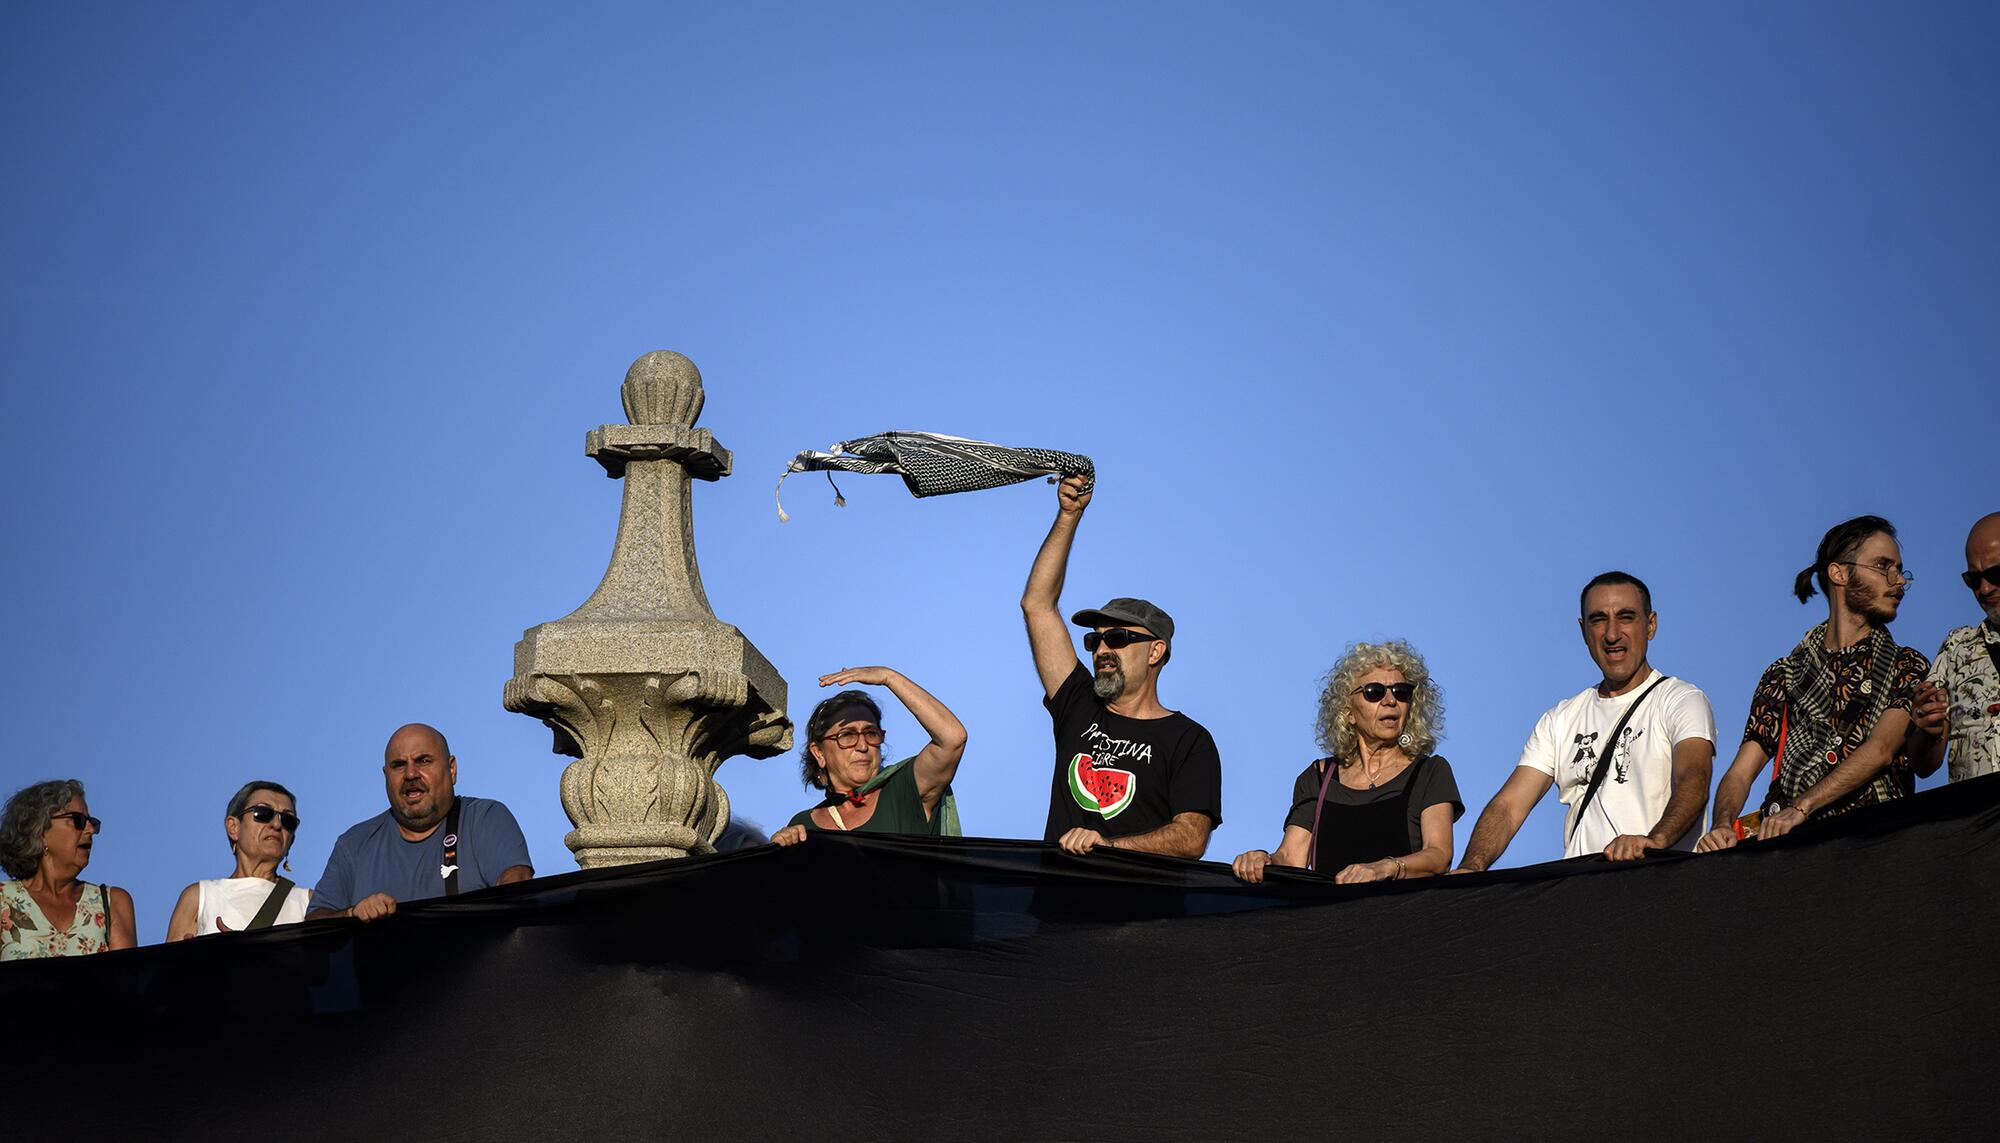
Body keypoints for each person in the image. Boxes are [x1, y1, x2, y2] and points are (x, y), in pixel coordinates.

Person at [1698, 516, 1936, 852]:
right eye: (1884, 567)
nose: (1898, 582)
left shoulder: (1906, 664)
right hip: (1792, 852)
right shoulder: (1784, 674)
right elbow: (1741, 771)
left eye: (1899, 570)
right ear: (1838, 573)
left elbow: (1881, 750)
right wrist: (1723, 824)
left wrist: (1801, 808)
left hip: (1875, 844)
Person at [1456, 572, 1716, 872]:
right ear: (1583, 630)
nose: (1612, 633)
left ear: (1651, 625)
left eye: (1626, 617)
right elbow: (1508, 807)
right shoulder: (1561, 718)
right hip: (1584, 896)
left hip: (1660, 888)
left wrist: (1655, 841)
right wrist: (1470, 868)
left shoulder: (1681, 699)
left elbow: (1694, 778)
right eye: (1598, 619)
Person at [1021, 474, 1222, 857]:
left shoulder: (1189, 741)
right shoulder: (1079, 705)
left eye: (1118, 638)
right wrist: (1069, 516)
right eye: (1095, 640)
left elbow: (1191, 838)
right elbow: (1037, 605)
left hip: (1141, 914)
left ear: (1155, 651)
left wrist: (1108, 847)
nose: (1101, 650)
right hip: (1056, 910)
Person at [1232, 642, 1462, 884]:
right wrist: (1262, 860)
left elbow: (1438, 855)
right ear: (1348, 712)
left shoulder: (1430, 772)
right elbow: (1290, 858)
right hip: (1332, 919)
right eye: (1374, 692)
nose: (1390, 701)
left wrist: (1384, 868)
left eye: (1401, 692)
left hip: (1403, 917)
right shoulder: (1319, 778)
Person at [307, 723, 533, 922]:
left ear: (451, 769)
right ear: (385, 775)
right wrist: (352, 914)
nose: (410, 774)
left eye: (423, 761)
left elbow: (517, 887)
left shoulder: (484, 818)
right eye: (398, 765)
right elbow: (314, 924)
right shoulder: (353, 844)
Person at [771, 667, 967, 844]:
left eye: (871, 733)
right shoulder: (803, 826)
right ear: (819, 753)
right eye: (847, 735)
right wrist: (778, 850)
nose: (863, 746)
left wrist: (888, 677)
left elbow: (952, 739)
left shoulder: (903, 789)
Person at [0, 779, 136, 959]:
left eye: (91, 822)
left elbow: (127, 983)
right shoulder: (3, 900)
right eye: (78, 820)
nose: (90, 830)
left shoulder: (112, 903)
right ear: (40, 831)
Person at [165, 780, 314, 939]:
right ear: (233, 827)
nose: (277, 824)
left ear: (292, 839)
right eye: (263, 813)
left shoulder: (309, 902)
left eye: (287, 820)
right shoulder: (199, 896)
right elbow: (169, 963)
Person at [1923, 512, 2000, 782]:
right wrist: (1926, 730)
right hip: (1978, 820)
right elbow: (1924, 765)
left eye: (1995, 573)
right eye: (1974, 580)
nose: (1986, 588)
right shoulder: (1956, 648)